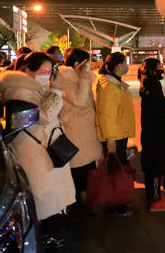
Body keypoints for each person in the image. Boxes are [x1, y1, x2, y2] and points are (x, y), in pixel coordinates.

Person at [0, 52, 75, 250]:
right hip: (33, 152)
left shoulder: (33, 88)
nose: (47, 76)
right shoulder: (18, 91)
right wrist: (55, 90)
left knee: (50, 196)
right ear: (26, 70)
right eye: (43, 72)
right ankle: (46, 238)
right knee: (43, 198)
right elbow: (45, 116)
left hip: (42, 149)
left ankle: (51, 234)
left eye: (49, 72)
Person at [59, 48, 102, 217]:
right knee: (77, 170)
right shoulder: (66, 77)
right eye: (86, 62)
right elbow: (78, 100)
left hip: (85, 129)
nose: (89, 65)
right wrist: (84, 80)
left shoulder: (78, 76)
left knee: (85, 169)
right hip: (76, 129)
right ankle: (75, 206)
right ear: (77, 64)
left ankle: (81, 204)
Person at [95, 52, 136, 216]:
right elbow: (107, 115)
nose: (126, 66)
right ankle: (114, 203)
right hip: (114, 135)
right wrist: (110, 138)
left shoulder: (116, 83)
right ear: (119, 65)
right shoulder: (108, 86)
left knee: (118, 167)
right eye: (125, 63)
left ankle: (119, 199)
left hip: (119, 133)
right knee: (114, 170)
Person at [138, 59, 165, 211]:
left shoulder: (146, 85)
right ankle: (155, 199)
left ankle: (151, 195)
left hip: (149, 133)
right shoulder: (153, 87)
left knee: (150, 166)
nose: (162, 70)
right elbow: (161, 112)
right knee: (156, 167)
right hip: (157, 135)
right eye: (159, 67)